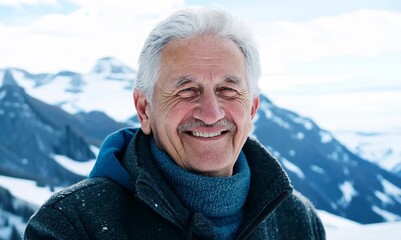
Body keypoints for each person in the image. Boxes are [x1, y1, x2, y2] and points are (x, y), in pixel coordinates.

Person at [24, 8, 326, 240]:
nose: (210, 113)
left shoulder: (298, 220)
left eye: (228, 90)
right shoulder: (74, 224)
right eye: (186, 90)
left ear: (252, 110)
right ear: (144, 110)